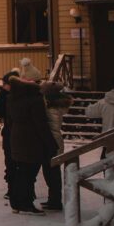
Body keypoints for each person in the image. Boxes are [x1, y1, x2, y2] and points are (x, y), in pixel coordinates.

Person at [6, 76, 57, 215]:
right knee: (29, 174)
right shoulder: (35, 100)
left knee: (20, 172)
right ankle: (26, 203)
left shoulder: (13, 98)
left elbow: (9, 119)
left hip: (16, 137)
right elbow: (41, 125)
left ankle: (16, 202)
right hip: (32, 141)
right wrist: (51, 144)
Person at [40, 81, 72, 211]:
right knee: (51, 171)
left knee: (51, 172)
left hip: (51, 141)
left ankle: (55, 201)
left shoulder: (51, 108)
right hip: (55, 140)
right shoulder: (58, 106)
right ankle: (53, 199)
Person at [0, 70, 19, 201]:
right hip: (14, 133)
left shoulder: (7, 96)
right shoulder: (18, 95)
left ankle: (14, 189)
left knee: (12, 162)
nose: (3, 86)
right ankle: (18, 188)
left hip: (12, 133)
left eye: (5, 84)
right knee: (15, 162)